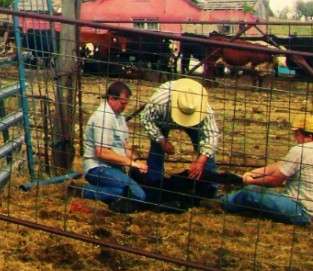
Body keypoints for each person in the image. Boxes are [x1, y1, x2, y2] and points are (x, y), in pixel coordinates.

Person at [219, 114, 313, 226]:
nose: (295, 137)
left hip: (303, 211)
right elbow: (284, 165)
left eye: (297, 134)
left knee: (250, 192)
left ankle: (221, 202)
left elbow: (274, 181)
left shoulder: (300, 150)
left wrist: (250, 181)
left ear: (308, 137)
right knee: (257, 192)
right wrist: (255, 173)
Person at [139, 77, 220, 187]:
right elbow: (146, 119)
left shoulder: (204, 107)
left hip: (195, 124)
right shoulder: (160, 102)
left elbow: (212, 134)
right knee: (157, 149)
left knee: (206, 153)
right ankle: (154, 183)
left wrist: (202, 159)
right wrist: (161, 140)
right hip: (164, 119)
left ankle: (210, 186)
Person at [80, 80, 148, 211]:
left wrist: (137, 161)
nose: (125, 106)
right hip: (98, 168)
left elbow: (124, 145)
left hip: (114, 168)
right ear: (111, 98)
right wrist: (130, 163)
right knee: (138, 195)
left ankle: (105, 193)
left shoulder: (119, 116)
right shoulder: (103, 117)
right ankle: (85, 191)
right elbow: (102, 152)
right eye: (123, 103)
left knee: (123, 190)